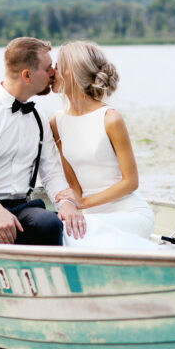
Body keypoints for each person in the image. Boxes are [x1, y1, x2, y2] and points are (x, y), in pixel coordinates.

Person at [0, 37, 86, 245]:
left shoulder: (39, 116)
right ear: (27, 75)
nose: (53, 73)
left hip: (23, 208)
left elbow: (51, 172)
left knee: (50, 223)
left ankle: (49, 275)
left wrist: (66, 202)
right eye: (48, 68)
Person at [50, 41, 155, 249]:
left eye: (57, 65)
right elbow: (74, 186)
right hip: (90, 219)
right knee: (60, 230)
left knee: (69, 235)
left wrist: (84, 203)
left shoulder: (110, 119)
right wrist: (71, 205)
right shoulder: (56, 122)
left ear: (72, 71)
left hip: (129, 214)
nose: (52, 71)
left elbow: (131, 182)